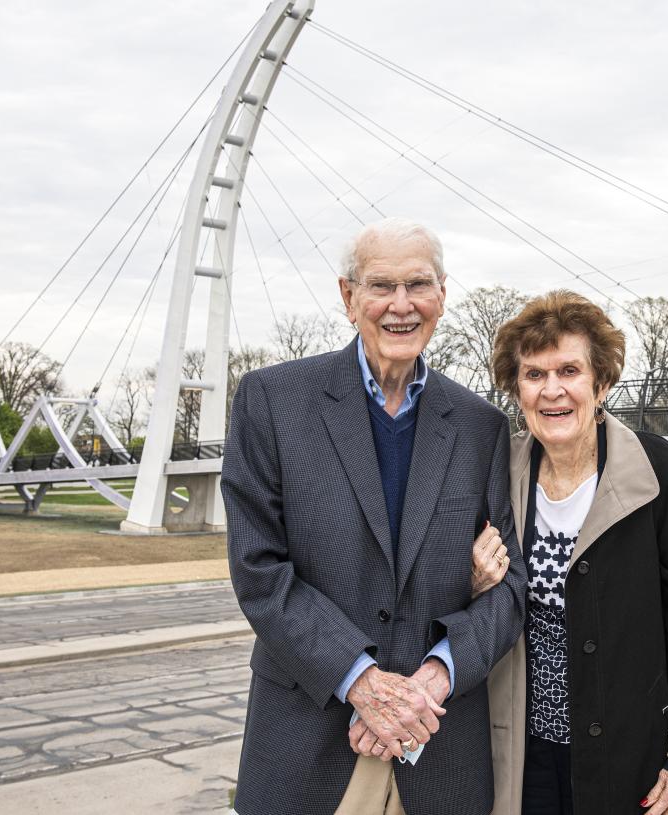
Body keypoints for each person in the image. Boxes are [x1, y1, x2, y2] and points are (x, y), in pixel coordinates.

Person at [221, 218, 527, 815]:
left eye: (418, 284)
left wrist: (430, 682)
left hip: (438, 750)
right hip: (309, 744)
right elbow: (259, 572)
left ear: (443, 294)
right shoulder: (272, 401)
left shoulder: (479, 426)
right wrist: (363, 684)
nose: (401, 305)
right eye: (382, 285)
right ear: (348, 296)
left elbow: (510, 590)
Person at [478, 291, 668, 815]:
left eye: (569, 370)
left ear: (602, 382)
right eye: (533, 374)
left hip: (631, 754)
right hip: (523, 755)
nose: (552, 390)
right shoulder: (497, 474)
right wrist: (476, 582)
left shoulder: (659, 472)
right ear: (516, 388)